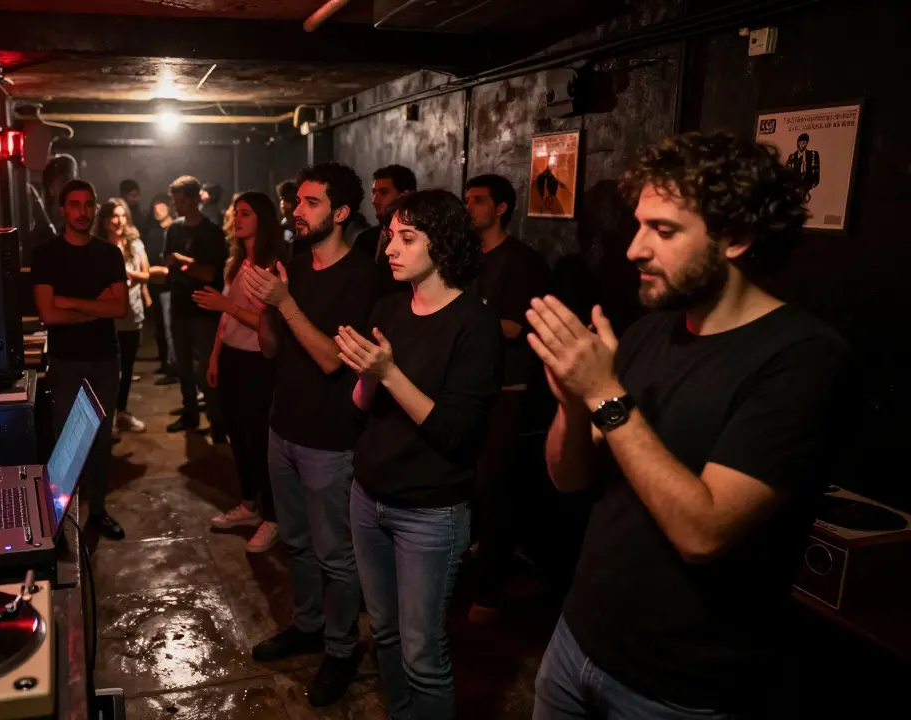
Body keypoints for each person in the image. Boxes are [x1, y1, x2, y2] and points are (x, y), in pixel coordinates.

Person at [530, 132, 852, 718]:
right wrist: (573, 404)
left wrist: (603, 390)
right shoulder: (654, 330)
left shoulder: (801, 360)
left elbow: (703, 532)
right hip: (578, 640)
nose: (633, 249)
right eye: (639, 225)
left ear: (737, 237)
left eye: (664, 230)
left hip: (680, 687)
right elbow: (569, 479)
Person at [338, 189, 501, 720]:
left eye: (407, 238)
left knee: (422, 653)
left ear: (443, 244)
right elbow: (361, 405)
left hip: (429, 512)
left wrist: (389, 373)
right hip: (368, 497)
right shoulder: (388, 307)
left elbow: (456, 432)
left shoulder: (473, 323)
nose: (391, 248)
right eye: (390, 236)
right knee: (383, 631)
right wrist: (366, 377)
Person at [244, 162, 377, 707]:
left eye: (311, 203)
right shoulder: (294, 267)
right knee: (295, 543)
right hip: (284, 428)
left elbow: (330, 360)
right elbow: (274, 349)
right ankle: (308, 625)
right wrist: (264, 307)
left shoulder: (364, 276)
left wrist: (285, 303)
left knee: (334, 555)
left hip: (329, 440)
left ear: (341, 213)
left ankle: (343, 649)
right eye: (297, 202)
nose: (296, 212)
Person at [461, 173, 550, 624]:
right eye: (467, 199)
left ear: (501, 208)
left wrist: (460, 316)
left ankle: (491, 589)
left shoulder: (522, 261)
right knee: (465, 485)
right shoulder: (465, 260)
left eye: (477, 200)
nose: (469, 206)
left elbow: (516, 327)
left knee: (496, 490)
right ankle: (468, 564)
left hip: (507, 391)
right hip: (467, 388)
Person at [30, 180, 129, 541]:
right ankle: (61, 519)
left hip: (104, 358)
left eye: (89, 205)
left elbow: (118, 308)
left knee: (102, 440)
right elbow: (48, 314)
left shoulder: (109, 254)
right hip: (66, 361)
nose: (83, 212)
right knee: (68, 443)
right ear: (62, 209)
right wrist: (95, 308)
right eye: (75, 205)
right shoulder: (46, 255)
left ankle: (98, 511)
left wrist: (69, 301)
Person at [196, 192, 287, 553]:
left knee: (259, 439)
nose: (237, 220)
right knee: (237, 436)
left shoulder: (271, 266)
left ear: (262, 219)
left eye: (245, 214)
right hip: (233, 358)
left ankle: (274, 516)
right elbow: (225, 318)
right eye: (235, 214)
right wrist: (216, 356)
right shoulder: (236, 263)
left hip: (257, 363)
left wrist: (227, 307)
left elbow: (271, 326)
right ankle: (249, 505)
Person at [164, 176, 229, 441]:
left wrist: (185, 264)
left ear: (193, 200)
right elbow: (168, 263)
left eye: (180, 201)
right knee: (183, 364)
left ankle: (217, 423)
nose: (176, 205)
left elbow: (210, 274)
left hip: (203, 308)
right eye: (175, 200)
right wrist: (187, 266)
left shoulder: (211, 231)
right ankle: (190, 413)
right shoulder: (174, 230)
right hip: (179, 305)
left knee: (206, 368)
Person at [95, 197, 151, 435]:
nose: (118, 221)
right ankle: (107, 418)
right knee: (108, 370)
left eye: (122, 216)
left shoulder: (134, 244)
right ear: (105, 220)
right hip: (107, 317)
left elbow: (146, 275)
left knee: (127, 369)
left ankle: (121, 411)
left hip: (131, 314)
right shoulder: (98, 247)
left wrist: (127, 274)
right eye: (113, 216)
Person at [143, 194, 178, 382]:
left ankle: (174, 368)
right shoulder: (153, 232)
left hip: (170, 286)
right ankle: (165, 363)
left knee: (169, 327)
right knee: (159, 328)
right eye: (155, 206)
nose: (158, 210)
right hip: (155, 284)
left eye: (161, 205)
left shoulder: (176, 229)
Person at [353, 165, 417, 261]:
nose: (375, 200)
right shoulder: (365, 239)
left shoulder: (419, 238)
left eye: (384, 192)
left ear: (404, 195)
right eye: (374, 192)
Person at [278, 180, 307, 255]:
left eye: (287, 200)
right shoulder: (281, 229)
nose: (283, 204)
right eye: (282, 199)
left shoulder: (306, 225)